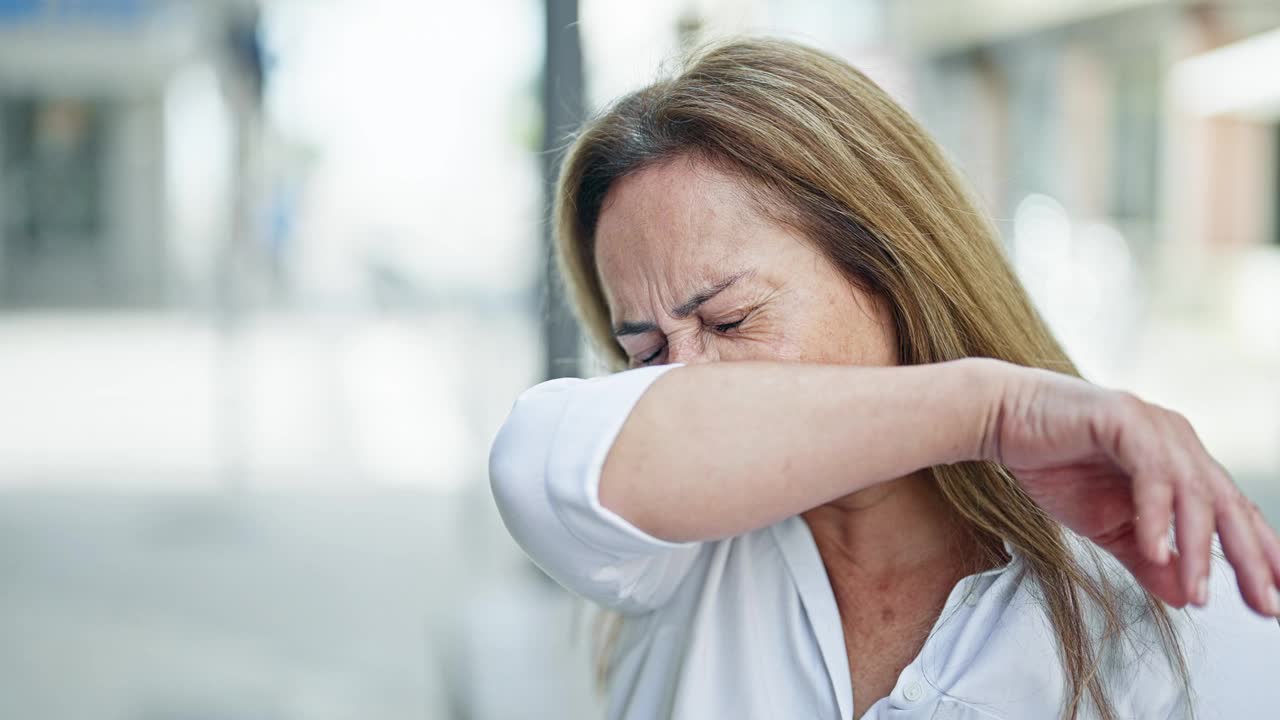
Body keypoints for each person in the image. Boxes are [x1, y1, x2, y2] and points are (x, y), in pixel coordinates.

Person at [488, 38, 1280, 719]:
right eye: (647, 354)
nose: (682, 382)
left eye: (729, 321)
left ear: (891, 272)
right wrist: (990, 406)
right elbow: (536, 460)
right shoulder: (667, 556)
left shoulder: (1168, 596)